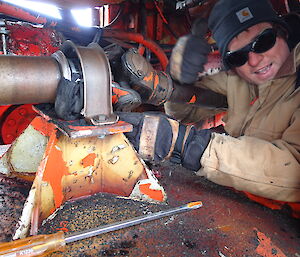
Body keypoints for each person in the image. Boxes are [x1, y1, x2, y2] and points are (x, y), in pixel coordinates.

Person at [117, 0, 300, 202]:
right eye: (237, 57)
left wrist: (190, 145)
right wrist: (172, 81)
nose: (254, 61)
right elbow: (184, 111)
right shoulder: (242, 78)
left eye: (262, 42)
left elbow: (294, 170)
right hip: (245, 199)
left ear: (282, 31)